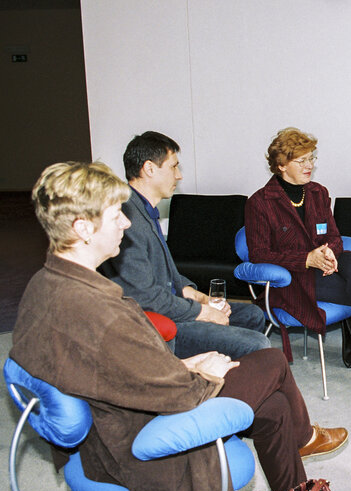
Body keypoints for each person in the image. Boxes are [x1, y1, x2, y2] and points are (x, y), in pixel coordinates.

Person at [10, 162, 348, 491]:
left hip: (118, 416)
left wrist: (187, 361)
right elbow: (170, 393)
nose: (126, 223)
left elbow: (115, 370)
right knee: (271, 361)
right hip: (134, 444)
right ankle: (304, 439)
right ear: (83, 228)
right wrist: (205, 373)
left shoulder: (46, 284)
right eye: (115, 215)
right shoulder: (100, 310)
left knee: (275, 406)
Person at [245, 127, 351, 392]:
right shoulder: (260, 203)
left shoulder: (318, 192)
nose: (310, 166)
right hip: (293, 278)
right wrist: (307, 259)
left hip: (326, 266)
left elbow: (333, 234)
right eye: (302, 160)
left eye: (312, 159)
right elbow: (260, 255)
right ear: (281, 165)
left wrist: (329, 250)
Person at [101, 131, 271, 359]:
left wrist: (202, 299)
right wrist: (203, 312)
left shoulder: (144, 211)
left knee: (252, 314)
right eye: (173, 167)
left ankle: (220, 369)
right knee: (256, 343)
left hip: (173, 306)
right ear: (149, 169)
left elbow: (170, 277)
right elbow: (146, 298)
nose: (179, 175)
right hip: (158, 321)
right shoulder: (127, 220)